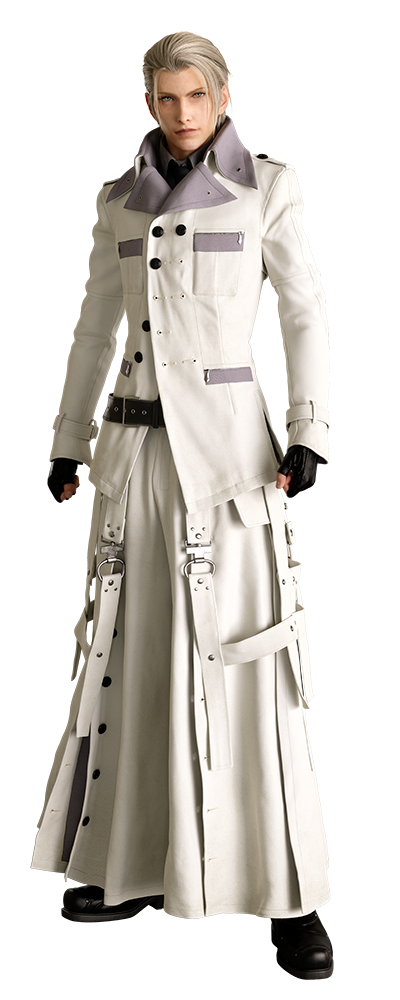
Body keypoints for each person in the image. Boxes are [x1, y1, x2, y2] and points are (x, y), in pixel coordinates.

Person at [35, 32, 332, 975]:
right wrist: (70, 442)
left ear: (222, 95)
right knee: (125, 656)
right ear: (148, 102)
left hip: (230, 466)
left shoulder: (268, 189)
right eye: (163, 98)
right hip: (129, 458)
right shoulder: (115, 199)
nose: (180, 114)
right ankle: (120, 867)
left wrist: (310, 430)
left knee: (248, 661)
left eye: (194, 97)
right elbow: (95, 329)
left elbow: (304, 313)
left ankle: (289, 897)